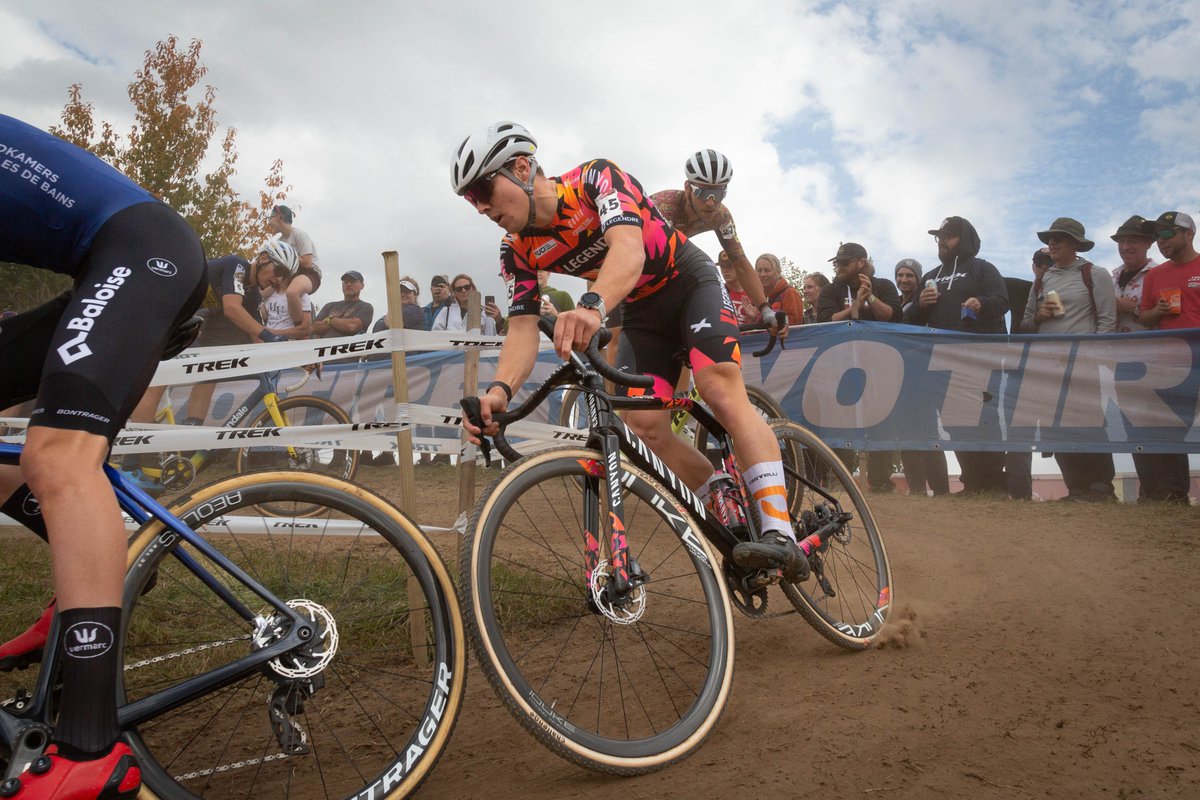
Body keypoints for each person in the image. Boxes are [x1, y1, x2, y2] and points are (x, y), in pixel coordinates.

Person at [450, 121, 803, 580]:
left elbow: (629, 251)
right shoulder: (516, 249)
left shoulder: (594, 179)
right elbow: (520, 326)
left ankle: (780, 533)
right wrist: (499, 392)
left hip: (687, 280)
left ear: (521, 167)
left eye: (482, 191)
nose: (480, 208)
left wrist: (592, 306)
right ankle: (721, 494)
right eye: (470, 201)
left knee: (718, 387)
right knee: (644, 427)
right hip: (640, 309)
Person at [0, 113, 207, 797]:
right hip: (105, 266)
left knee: (59, 458)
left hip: (143, 252)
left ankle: (92, 750)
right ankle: (83, 569)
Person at [907, 216, 1010, 497]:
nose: (942, 241)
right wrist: (919, 305)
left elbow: (1003, 301)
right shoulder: (930, 276)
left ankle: (994, 483)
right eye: (939, 236)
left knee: (984, 420)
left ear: (964, 240)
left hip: (979, 356)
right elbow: (910, 320)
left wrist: (982, 303)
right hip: (941, 358)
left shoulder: (983, 269)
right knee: (954, 422)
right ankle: (973, 483)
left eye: (948, 236)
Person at [1022, 217, 1118, 502]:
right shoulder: (1041, 280)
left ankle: (1101, 488)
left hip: (1084, 364)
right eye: (1049, 239)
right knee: (1058, 426)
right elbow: (1026, 323)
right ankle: (1076, 488)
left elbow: (1107, 321)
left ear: (1075, 244)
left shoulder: (1095, 273)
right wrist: (1040, 316)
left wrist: (1097, 358)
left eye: (1058, 238)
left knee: (1090, 423)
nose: (1051, 243)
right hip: (1049, 365)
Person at [650, 149, 776, 325]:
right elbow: (654, 258)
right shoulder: (663, 207)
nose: (711, 201)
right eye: (702, 192)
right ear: (688, 188)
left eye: (718, 194)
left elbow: (740, 262)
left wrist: (765, 308)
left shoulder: (721, 216)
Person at [816, 243, 903, 492]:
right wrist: (854, 306)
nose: (839, 267)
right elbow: (824, 321)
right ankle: (840, 482)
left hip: (879, 366)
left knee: (881, 423)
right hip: (840, 366)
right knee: (839, 421)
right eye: (837, 263)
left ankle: (881, 484)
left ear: (861, 263)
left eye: (845, 262)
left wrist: (871, 297)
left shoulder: (884, 285)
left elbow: (894, 317)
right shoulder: (832, 290)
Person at [1133, 211, 1198, 503]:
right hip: (1169, 363)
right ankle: (1171, 494)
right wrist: (1156, 312)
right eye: (1158, 235)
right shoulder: (1155, 275)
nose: (1161, 240)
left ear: (1189, 233)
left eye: (1168, 233)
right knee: (1163, 427)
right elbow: (1144, 316)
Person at [893, 258, 950, 497]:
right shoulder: (895, 304)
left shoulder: (925, 300)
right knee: (905, 433)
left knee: (928, 432)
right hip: (900, 375)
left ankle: (941, 490)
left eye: (910, 276)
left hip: (924, 374)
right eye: (901, 275)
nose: (904, 280)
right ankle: (916, 489)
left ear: (918, 279)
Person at [267, 203, 322, 326]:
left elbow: (308, 263)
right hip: (289, 275)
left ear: (279, 217)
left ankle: (298, 329)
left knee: (292, 292)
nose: (269, 222)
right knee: (262, 293)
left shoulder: (299, 235)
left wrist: (287, 253)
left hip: (309, 274)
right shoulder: (279, 241)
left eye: (270, 217)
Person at [311, 269, 374, 340]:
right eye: (345, 282)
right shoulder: (329, 306)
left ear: (362, 285)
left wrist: (330, 319)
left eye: (353, 281)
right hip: (323, 347)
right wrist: (342, 325)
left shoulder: (366, 307)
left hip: (348, 348)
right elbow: (314, 328)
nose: (348, 284)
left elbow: (352, 326)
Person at [431, 273, 498, 335]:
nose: (463, 290)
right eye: (459, 289)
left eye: (467, 287)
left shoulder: (484, 313)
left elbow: (490, 337)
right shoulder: (445, 312)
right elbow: (435, 336)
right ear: (454, 293)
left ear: (473, 288)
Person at [755, 253, 806, 325]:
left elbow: (793, 327)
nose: (763, 275)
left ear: (778, 272)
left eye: (767, 270)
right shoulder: (757, 296)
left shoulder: (790, 293)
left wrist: (757, 316)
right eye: (759, 271)